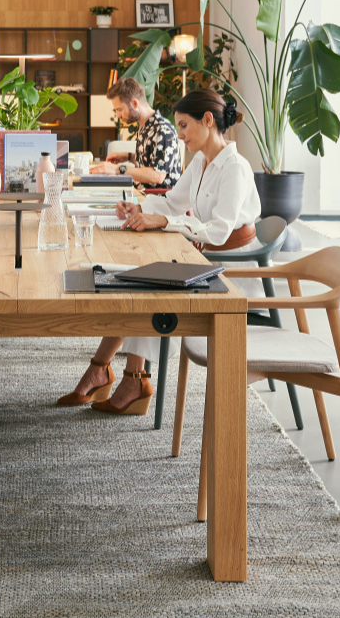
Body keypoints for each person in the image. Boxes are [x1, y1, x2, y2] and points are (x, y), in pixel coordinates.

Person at [59, 89, 261, 415]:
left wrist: (166, 220)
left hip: (231, 270)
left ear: (207, 120)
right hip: (203, 257)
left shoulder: (234, 168)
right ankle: (116, 372)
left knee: (146, 282)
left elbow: (221, 231)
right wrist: (135, 206)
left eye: (183, 126)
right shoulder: (200, 163)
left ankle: (124, 375)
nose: (179, 135)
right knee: (137, 275)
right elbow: (170, 202)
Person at [89, 77, 181, 190]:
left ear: (134, 103)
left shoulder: (161, 129)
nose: (118, 115)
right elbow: (151, 161)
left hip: (160, 201)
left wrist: (117, 169)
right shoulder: (145, 127)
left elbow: (158, 176)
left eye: (119, 109)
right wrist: (128, 156)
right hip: (143, 196)